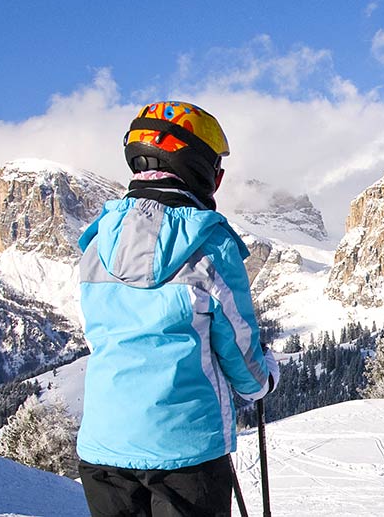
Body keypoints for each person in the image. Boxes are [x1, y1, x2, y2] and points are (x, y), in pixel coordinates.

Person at [75, 101, 279, 516]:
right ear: (199, 167)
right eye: (217, 169)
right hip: (186, 454)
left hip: (103, 449)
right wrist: (263, 381)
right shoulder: (211, 243)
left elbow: (97, 330)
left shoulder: (94, 242)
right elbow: (239, 349)